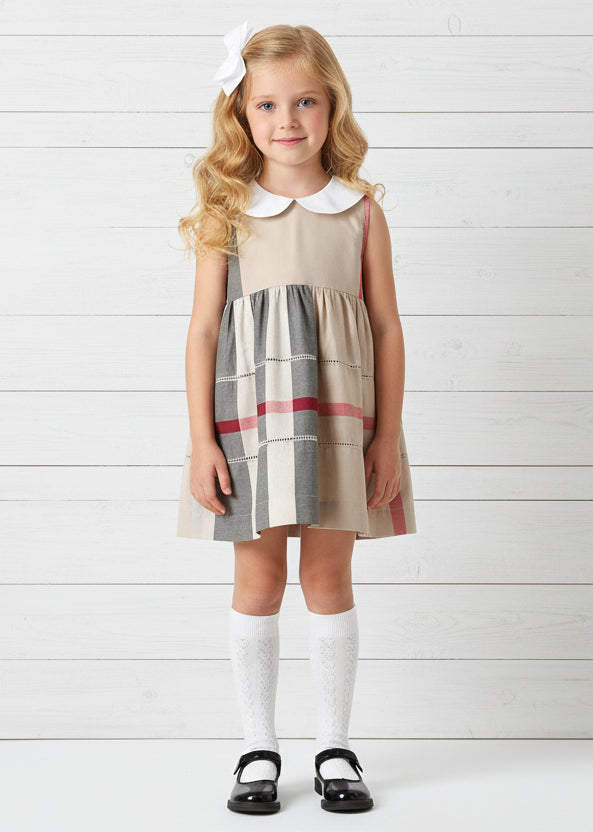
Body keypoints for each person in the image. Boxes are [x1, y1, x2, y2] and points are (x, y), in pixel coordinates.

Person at [176, 20, 417, 814]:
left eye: (305, 101)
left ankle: (334, 747)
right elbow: (203, 330)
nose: (287, 121)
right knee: (257, 578)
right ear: (241, 114)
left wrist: (386, 436)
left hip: (340, 423)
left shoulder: (359, 213)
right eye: (267, 104)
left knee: (326, 577)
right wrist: (202, 441)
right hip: (248, 423)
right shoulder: (228, 212)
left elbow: (385, 327)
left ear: (331, 105)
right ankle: (258, 747)